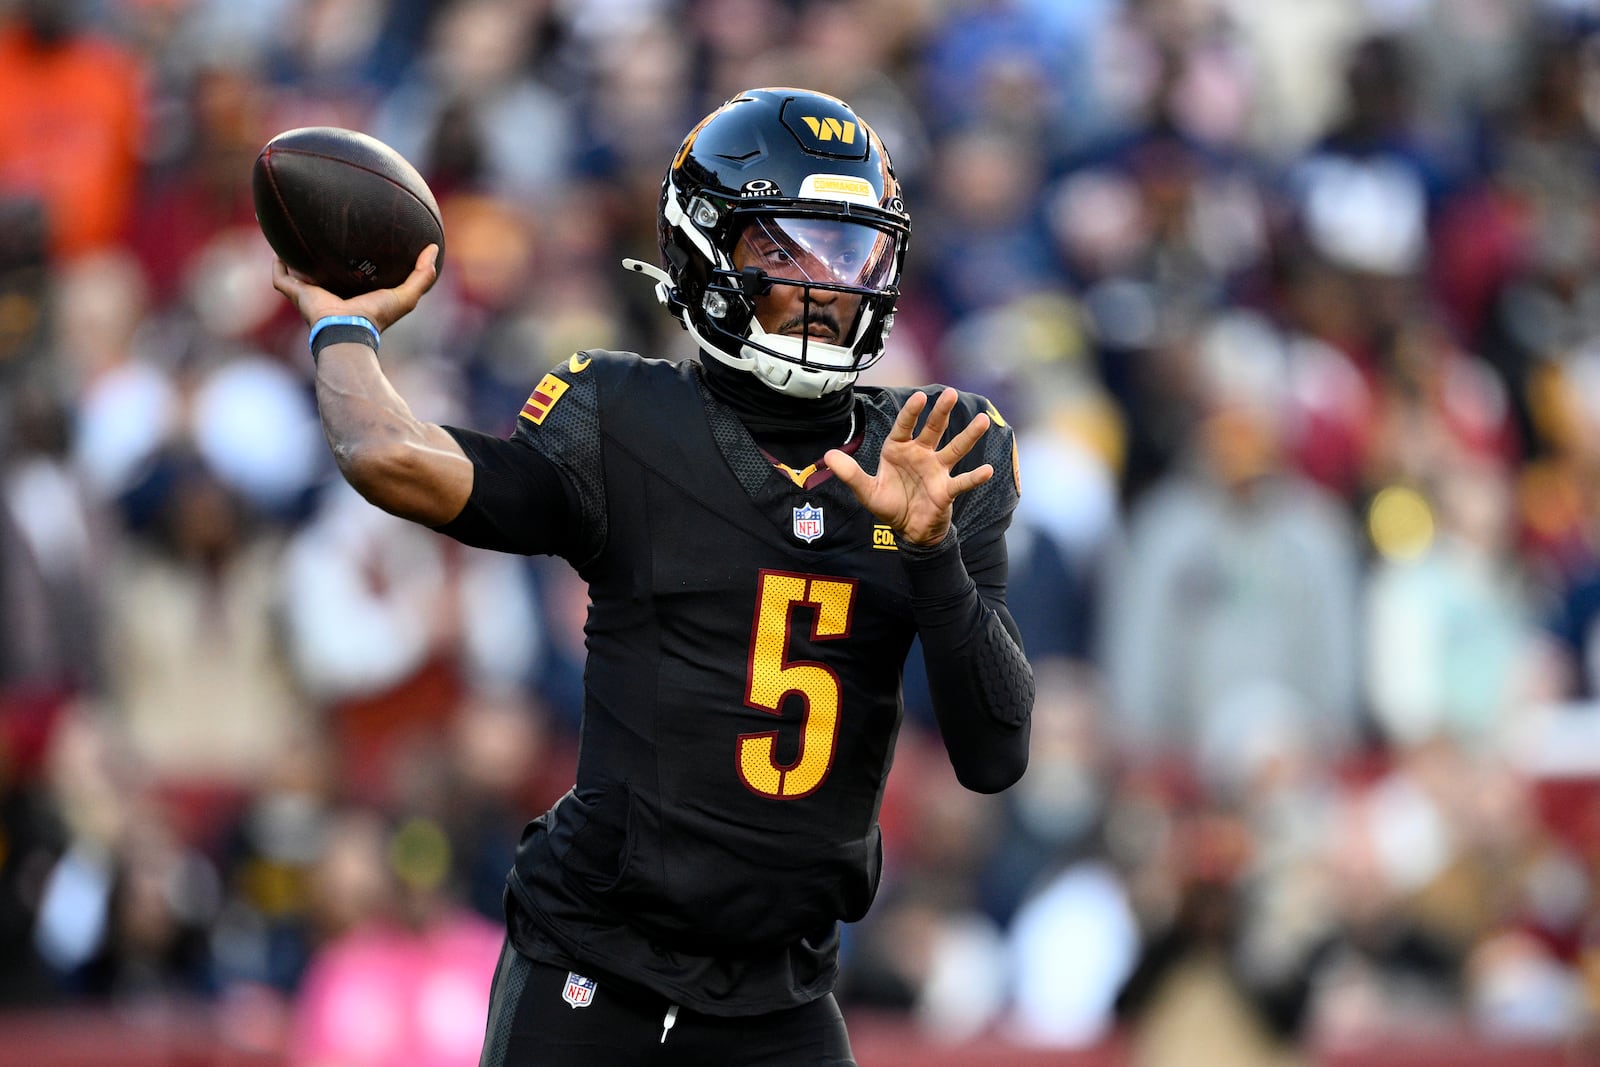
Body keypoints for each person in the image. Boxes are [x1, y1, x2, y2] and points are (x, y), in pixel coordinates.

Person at [271, 87, 1034, 1067]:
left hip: (778, 989)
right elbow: (390, 455)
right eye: (785, 250)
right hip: (595, 963)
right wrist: (342, 330)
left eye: (850, 252)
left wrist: (931, 555)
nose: (825, 284)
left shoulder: (931, 449)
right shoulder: (623, 416)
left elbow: (995, 751)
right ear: (704, 255)